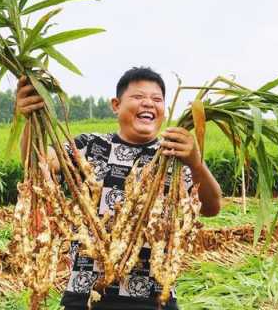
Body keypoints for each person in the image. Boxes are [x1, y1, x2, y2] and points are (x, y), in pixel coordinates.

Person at [16, 67, 222, 310]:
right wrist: (30, 117)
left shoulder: (175, 156)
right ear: (116, 105)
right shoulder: (89, 146)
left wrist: (195, 163)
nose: (148, 104)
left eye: (156, 99)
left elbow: (211, 207)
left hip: (154, 299)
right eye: (137, 97)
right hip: (85, 296)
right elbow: (36, 164)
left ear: (164, 110)